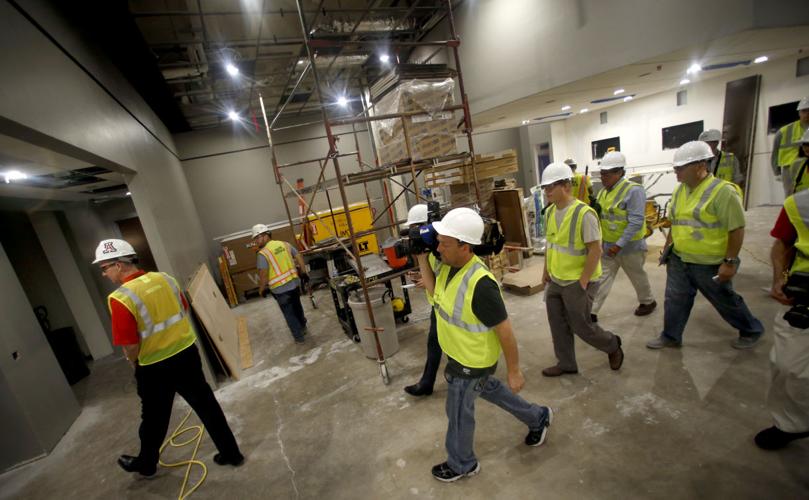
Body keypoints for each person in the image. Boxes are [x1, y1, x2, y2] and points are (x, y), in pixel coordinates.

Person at [416, 208, 553, 482]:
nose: (438, 248)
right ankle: (538, 417)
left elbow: (505, 331)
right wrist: (422, 258)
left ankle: (461, 463)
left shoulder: (481, 285)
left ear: (465, 247)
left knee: (457, 411)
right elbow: (437, 295)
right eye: (438, 241)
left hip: (472, 362)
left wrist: (514, 370)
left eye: (444, 243)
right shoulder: (448, 266)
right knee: (491, 391)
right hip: (459, 354)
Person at [93, 239, 243, 477]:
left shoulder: (120, 299)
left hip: (154, 367)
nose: (104, 273)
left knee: (153, 419)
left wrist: (134, 363)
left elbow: (130, 345)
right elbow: (182, 310)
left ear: (119, 265)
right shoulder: (166, 279)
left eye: (105, 268)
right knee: (207, 407)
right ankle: (231, 453)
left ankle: (147, 463)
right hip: (187, 355)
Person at [647, 141, 764, 350]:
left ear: (700, 165)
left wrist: (729, 262)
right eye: (675, 168)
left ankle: (751, 329)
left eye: (681, 168)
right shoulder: (680, 190)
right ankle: (671, 337)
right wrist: (667, 248)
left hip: (708, 262)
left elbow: (736, 229)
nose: (676, 172)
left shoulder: (723, 192)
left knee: (724, 300)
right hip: (680, 258)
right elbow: (676, 222)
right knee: (674, 299)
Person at [540, 162, 624, 377]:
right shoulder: (549, 213)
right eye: (545, 188)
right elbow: (551, 244)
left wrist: (583, 281)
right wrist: (546, 270)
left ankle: (612, 344)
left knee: (582, 326)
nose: (547, 191)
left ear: (566, 185)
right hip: (557, 279)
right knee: (557, 325)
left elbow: (595, 250)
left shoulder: (584, 214)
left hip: (577, 281)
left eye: (551, 187)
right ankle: (566, 363)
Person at [757, 189, 809, 449]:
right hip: (803, 298)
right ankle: (792, 423)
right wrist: (778, 278)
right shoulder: (798, 203)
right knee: (785, 366)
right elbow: (783, 243)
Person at [591, 151, 656, 322]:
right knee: (602, 278)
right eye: (601, 173)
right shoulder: (604, 192)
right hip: (609, 245)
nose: (602, 177)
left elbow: (635, 222)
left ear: (619, 172)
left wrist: (619, 244)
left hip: (630, 246)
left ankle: (648, 302)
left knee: (637, 276)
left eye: (606, 174)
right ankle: (591, 311)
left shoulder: (634, 191)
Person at [403, 204, 443, 397]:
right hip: (438, 304)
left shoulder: (441, 248)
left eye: (416, 228)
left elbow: (441, 283)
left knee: (442, 344)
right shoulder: (431, 249)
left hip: (447, 305)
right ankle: (427, 382)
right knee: (434, 343)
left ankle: (429, 382)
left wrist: (427, 281)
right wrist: (423, 278)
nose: (414, 234)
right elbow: (435, 277)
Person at [252, 224, 309, 344]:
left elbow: (263, 273)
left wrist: (261, 289)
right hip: (294, 284)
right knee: (297, 306)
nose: (256, 241)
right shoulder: (285, 244)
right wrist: (303, 272)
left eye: (257, 238)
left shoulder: (263, 254)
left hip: (280, 290)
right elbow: (298, 255)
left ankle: (299, 337)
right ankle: (303, 326)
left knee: (289, 313)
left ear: (265, 236)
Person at [773, 97, 809, 195]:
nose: (807, 113)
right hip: (789, 168)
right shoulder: (783, 131)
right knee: (791, 195)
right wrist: (776, 172)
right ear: (799, 112)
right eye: (804, 111)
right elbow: (775, 152)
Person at [698, 128, 744, 196]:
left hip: (725, 195)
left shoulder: (730, 159)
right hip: (705, 197)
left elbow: (737, 180)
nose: (706, 145)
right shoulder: (698, 161)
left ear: (716, 142)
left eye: (709, 142)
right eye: (704, 143)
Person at [784, 129, 809, 195]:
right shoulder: (798, 164)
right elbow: (793, 188)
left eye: (808, 144)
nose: (806, 148)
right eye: (804, 144)